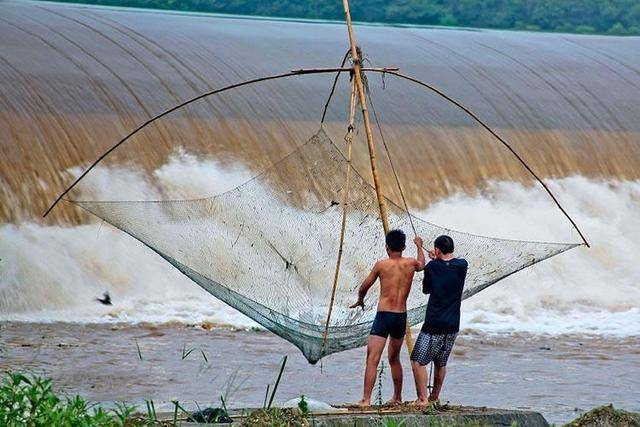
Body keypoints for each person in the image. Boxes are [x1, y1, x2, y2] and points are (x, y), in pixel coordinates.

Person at [349, 229, 425, 407]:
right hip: (400, 316)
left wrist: (360, 300)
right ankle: (397, 397)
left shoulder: (381, 265)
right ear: (404, 246)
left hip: (384, 316)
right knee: (394, 359)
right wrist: (419, 246)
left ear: (386, 247)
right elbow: (422, 264)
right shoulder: (411, 263)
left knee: (372, 359)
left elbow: (364, 286)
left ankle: (366, 400)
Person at [410, 235, 467, 406]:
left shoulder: (432, 267)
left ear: (437, 250)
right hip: (453, 324)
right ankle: (434, 397)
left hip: (434, 324)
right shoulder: (462, 265)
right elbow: (449, 264)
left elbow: (426, 290)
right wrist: (437, 259)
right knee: (441, 362)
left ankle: (422, 399)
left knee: (418, 361)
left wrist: (419, 247)